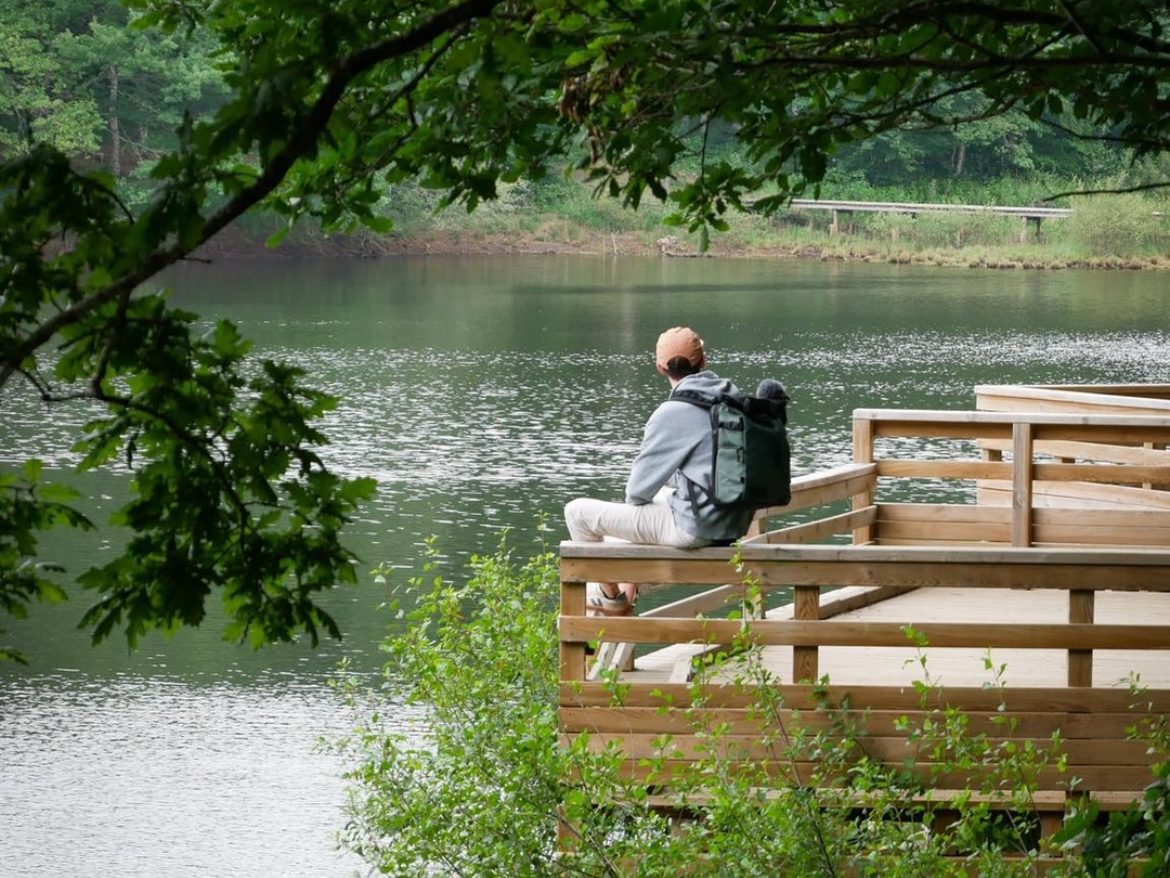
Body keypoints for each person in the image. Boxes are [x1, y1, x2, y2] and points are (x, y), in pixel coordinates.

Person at [564, 326, 756, 616]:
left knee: (577, 513)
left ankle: (611, 598)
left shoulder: (671, 413)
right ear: (704, 361)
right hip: (734, 523)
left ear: (660, 367)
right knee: (644, 512)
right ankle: (619, 598)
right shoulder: (733, 401)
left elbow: (636, 493)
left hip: (696, 528)